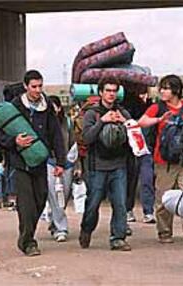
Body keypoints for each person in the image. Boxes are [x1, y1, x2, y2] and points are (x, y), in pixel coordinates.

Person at [0, 70, 66, 256]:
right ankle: (28, 241)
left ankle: (27, 233)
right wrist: (15, 141)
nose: (37, 90)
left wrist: (61, 161)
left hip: (40, 163)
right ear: (26, 86)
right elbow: (0, 134)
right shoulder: (15, 106)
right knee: (26, 204)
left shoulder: (47, 107)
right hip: (20, 164)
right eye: (33, 86)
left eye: (40, 86)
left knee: (40, 199)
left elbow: (56, 135)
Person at [138, 74, 183, 246]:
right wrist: (159, 120)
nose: (162, 91)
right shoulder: (157, 108)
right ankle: (164, 231)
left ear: (176, 90)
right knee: (164, 199)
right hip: (163, 161)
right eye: (161, 88)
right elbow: (142, 122)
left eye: (166, 88)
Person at [78, 77, 132, 251]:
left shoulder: (123, 112)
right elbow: (86, 138)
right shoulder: (91, 113)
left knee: (120, 203)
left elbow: (136, 137)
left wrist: (127, 124)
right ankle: (86, 229)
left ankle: (118, 237)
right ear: (101, 92)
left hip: (119, 165)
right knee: (93, 204)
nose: (111, 94)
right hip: (97, 167)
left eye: (114, 91)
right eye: (108, 90)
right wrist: (103, 121)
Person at [122, 83, 156, 224]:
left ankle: (134, 210)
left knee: (134, 180)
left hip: (138, 148)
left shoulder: (148, 105)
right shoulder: (144, 105)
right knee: (142, 180)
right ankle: (145, 211)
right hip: (139, 148)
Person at [45, 95, 76, 242]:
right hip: (49, 163)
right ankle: (61, 228)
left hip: (67, 164)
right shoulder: (42, 123)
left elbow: (74, 144)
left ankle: (54, 221)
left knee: (64, 194)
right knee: (55, 195)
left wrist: (74, 165)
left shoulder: (68, 123)